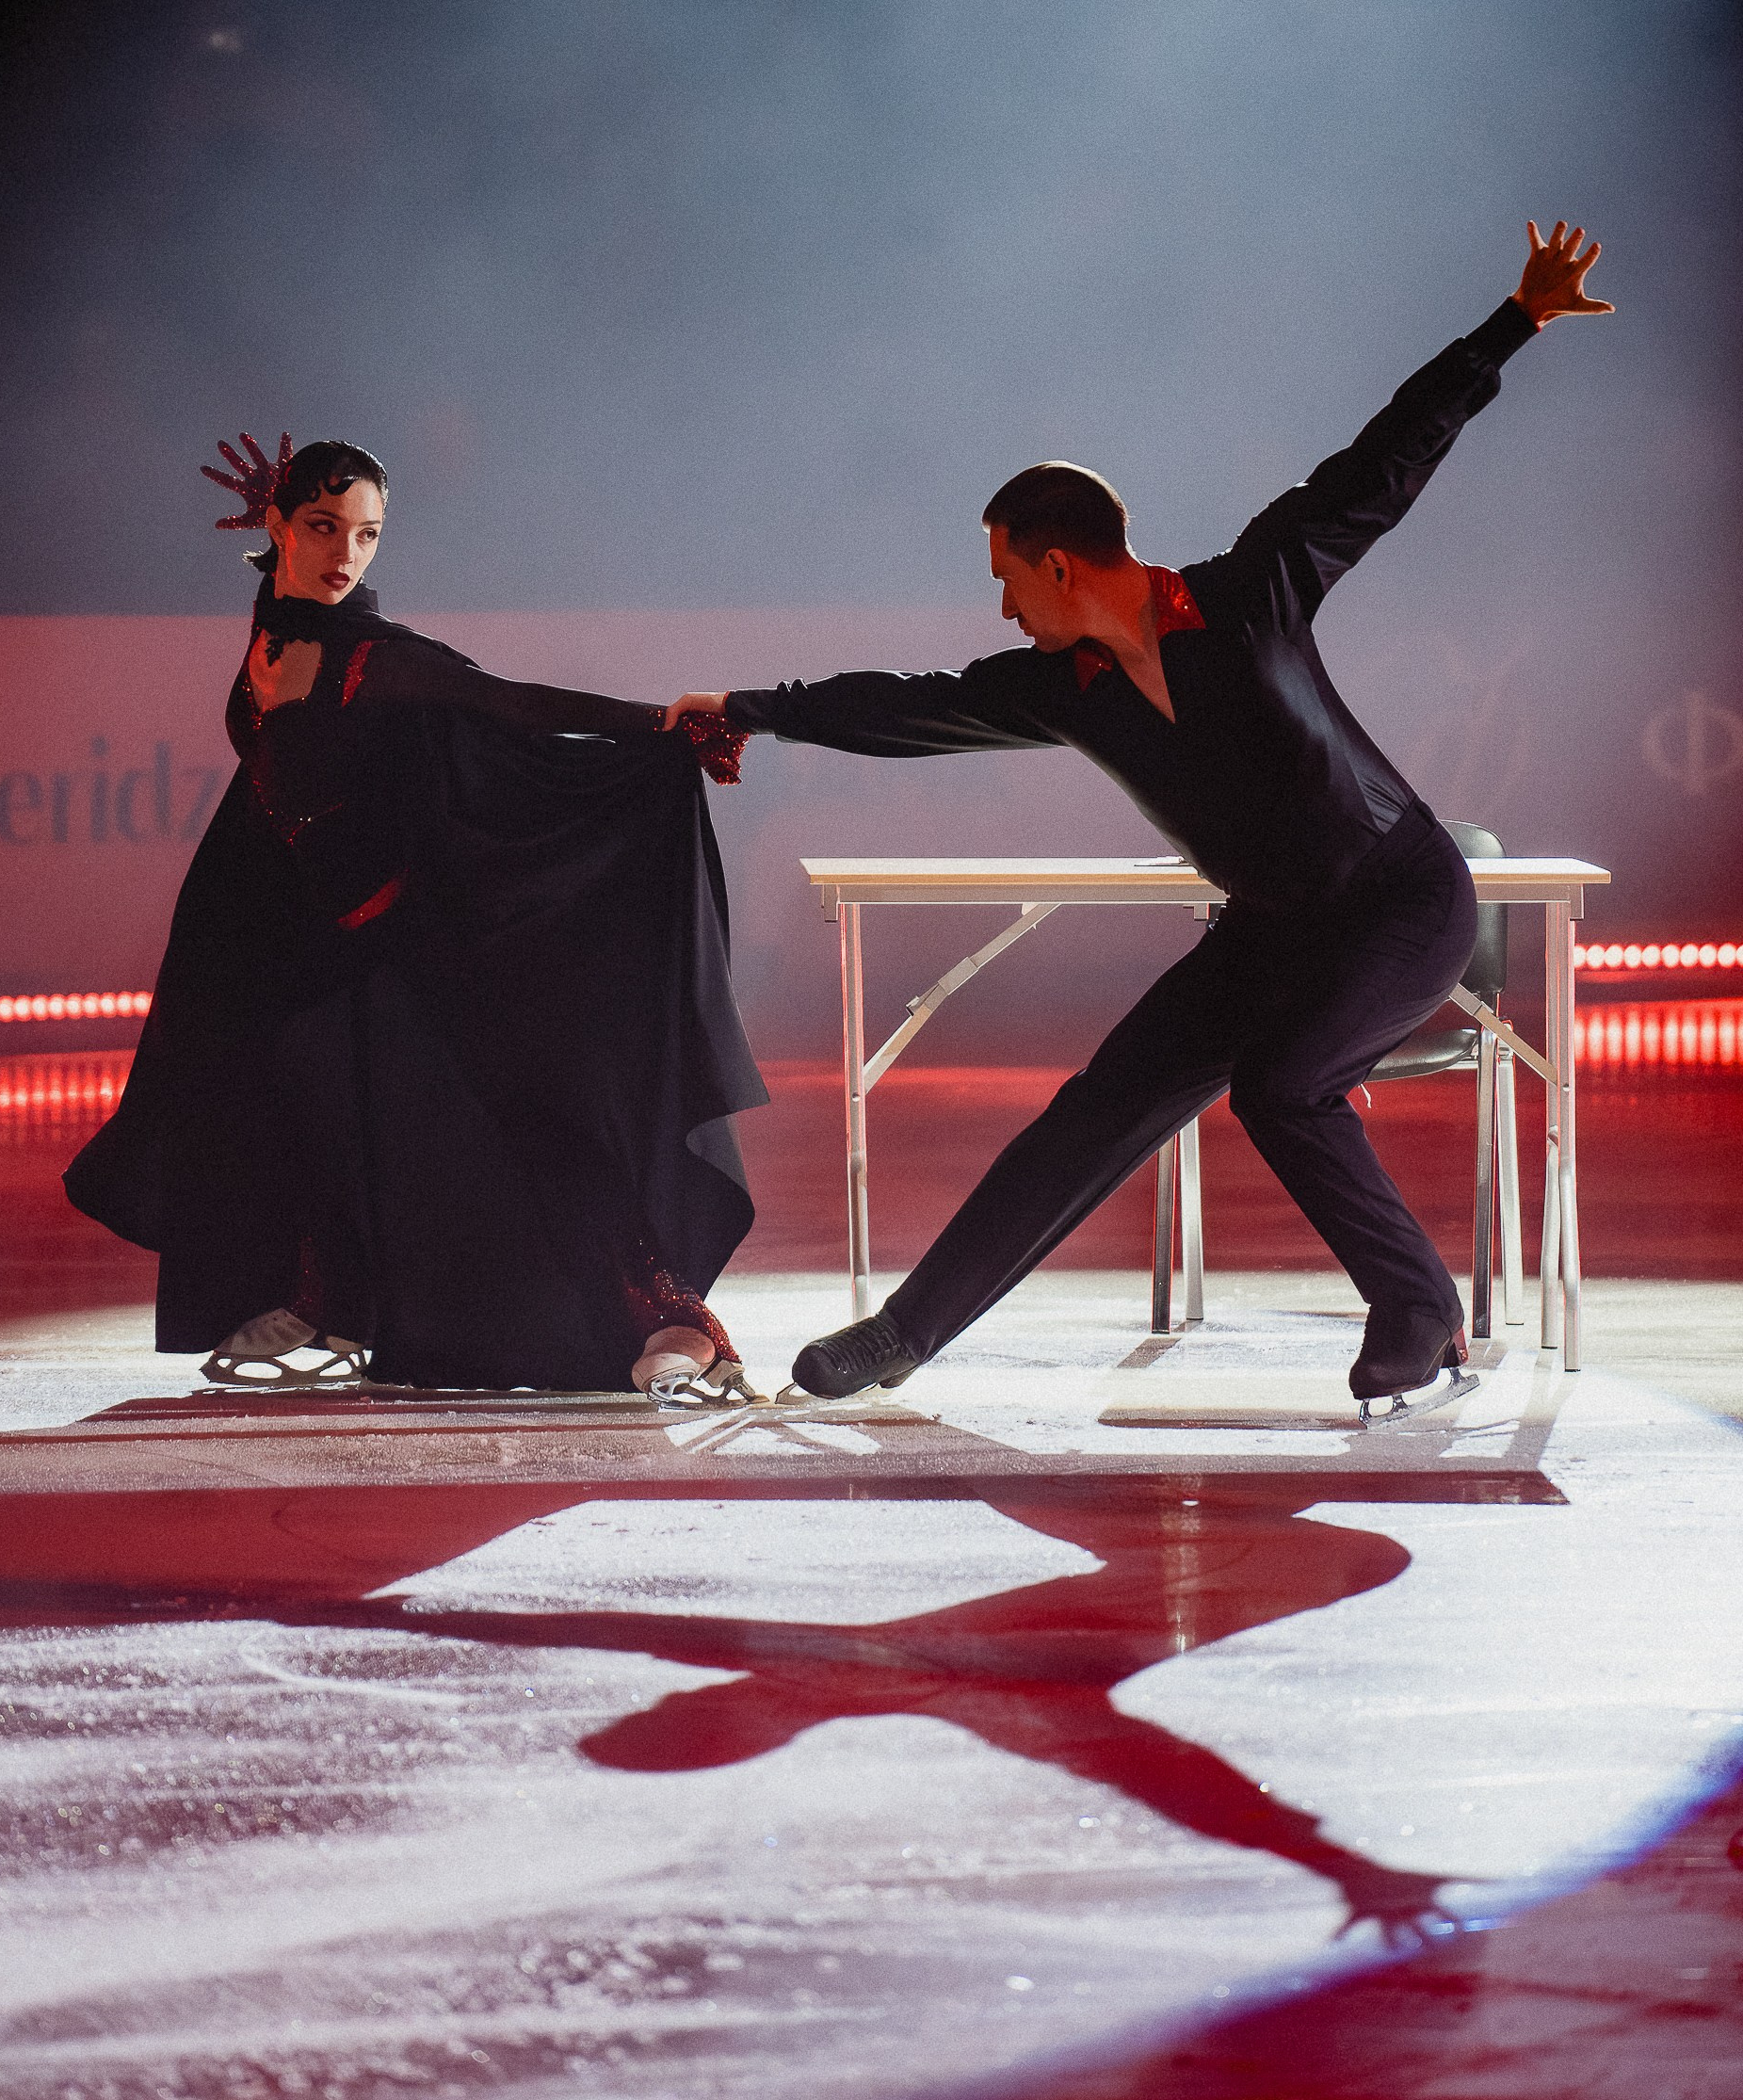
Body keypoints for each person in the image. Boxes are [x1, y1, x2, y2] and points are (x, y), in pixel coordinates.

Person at [664, 224, 1613, 1417]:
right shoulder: (1058, 690)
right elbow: (910, 707)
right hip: (1267, 931)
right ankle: (903, 1335)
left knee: (1281, 1087)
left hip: (1396, 897)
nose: (1001, 607)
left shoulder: (1253, 587)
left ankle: (1419, 1312)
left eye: (1006, 577)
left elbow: (1383, 462)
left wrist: (1512, 321)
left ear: (1060, 564)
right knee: (1096, 1110)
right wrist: (750, 708)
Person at [66, 434, 767, 1399]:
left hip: (417, 931)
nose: (344, 554)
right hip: (304, 930)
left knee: (526, 1107)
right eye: (321, 527)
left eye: (366, 534)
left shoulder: (372, 657)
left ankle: (671, 1312)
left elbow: (510, 703)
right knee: (293, 1096)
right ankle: (334, 1296)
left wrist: (659, 725)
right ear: (276, 524)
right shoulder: (276, 622)